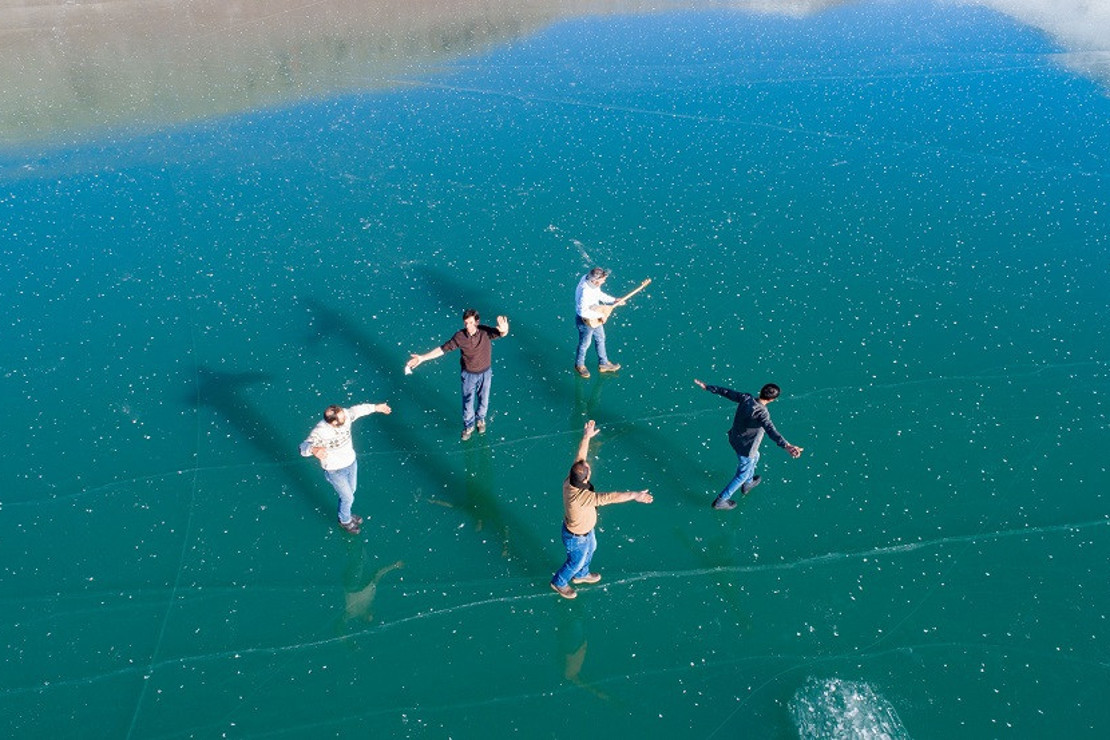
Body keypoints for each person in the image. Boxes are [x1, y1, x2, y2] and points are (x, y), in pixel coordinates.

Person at [551, 420, 653, 599]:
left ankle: (582, 575)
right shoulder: (581, 497)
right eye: (588, 470)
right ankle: (559, 582)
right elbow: (612, 497)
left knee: (593, 547)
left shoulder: (571, 479)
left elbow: (580, 458)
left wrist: (586, 437)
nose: (588, 466)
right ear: (584, 478)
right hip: (576, 538)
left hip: (585, 532)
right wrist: (636, 495)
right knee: (575, 562)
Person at [694, 379, 803, 510]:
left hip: (735, 438)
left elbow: (727, 392)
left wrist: (708, 387)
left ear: (761, 391)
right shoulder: (762, 413)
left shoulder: (746, 398)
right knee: (742, 474)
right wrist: (786, 445)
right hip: (746, 449)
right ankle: (721, 500)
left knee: (756, 457)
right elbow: (771, 430)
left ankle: (749, 483)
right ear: (772, 400)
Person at [406, 309, 509, 440]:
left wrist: (505, 329)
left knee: (484, 399)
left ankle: (480, 420)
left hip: (485, 373)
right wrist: (422, 358)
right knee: (468, 402)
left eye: (471, 323)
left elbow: (501, 333)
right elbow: (443, 349)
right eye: (466, 323)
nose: (468, 326)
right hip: (468, 375)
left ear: (477, 322)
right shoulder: (460, 336)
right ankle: (469, 426)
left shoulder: (485, 331)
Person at [300, 402, 392, 533]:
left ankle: (345, 513)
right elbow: (303, 447)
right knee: (348, 497)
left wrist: (376, 408)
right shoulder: (320, 432)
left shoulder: (345, 415)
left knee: (351, 492)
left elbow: (357, 411)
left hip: (350, 462)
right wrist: (313, 449)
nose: (346, 419)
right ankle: (344, 520)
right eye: (342, 419)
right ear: (333, 423)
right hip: (335, 470)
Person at [573, 267, 622, 378]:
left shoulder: (591, 282)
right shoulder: (585, 292)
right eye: (602, 280)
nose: (604, 281)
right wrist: (601, 315)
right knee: (585, 344)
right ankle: (579, 365)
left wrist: (614, 300)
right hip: (585, 321)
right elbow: (583, 311)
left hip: (595, 317)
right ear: (595, 280)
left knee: (601, 338)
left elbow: (598, 295)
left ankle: (603, 363)